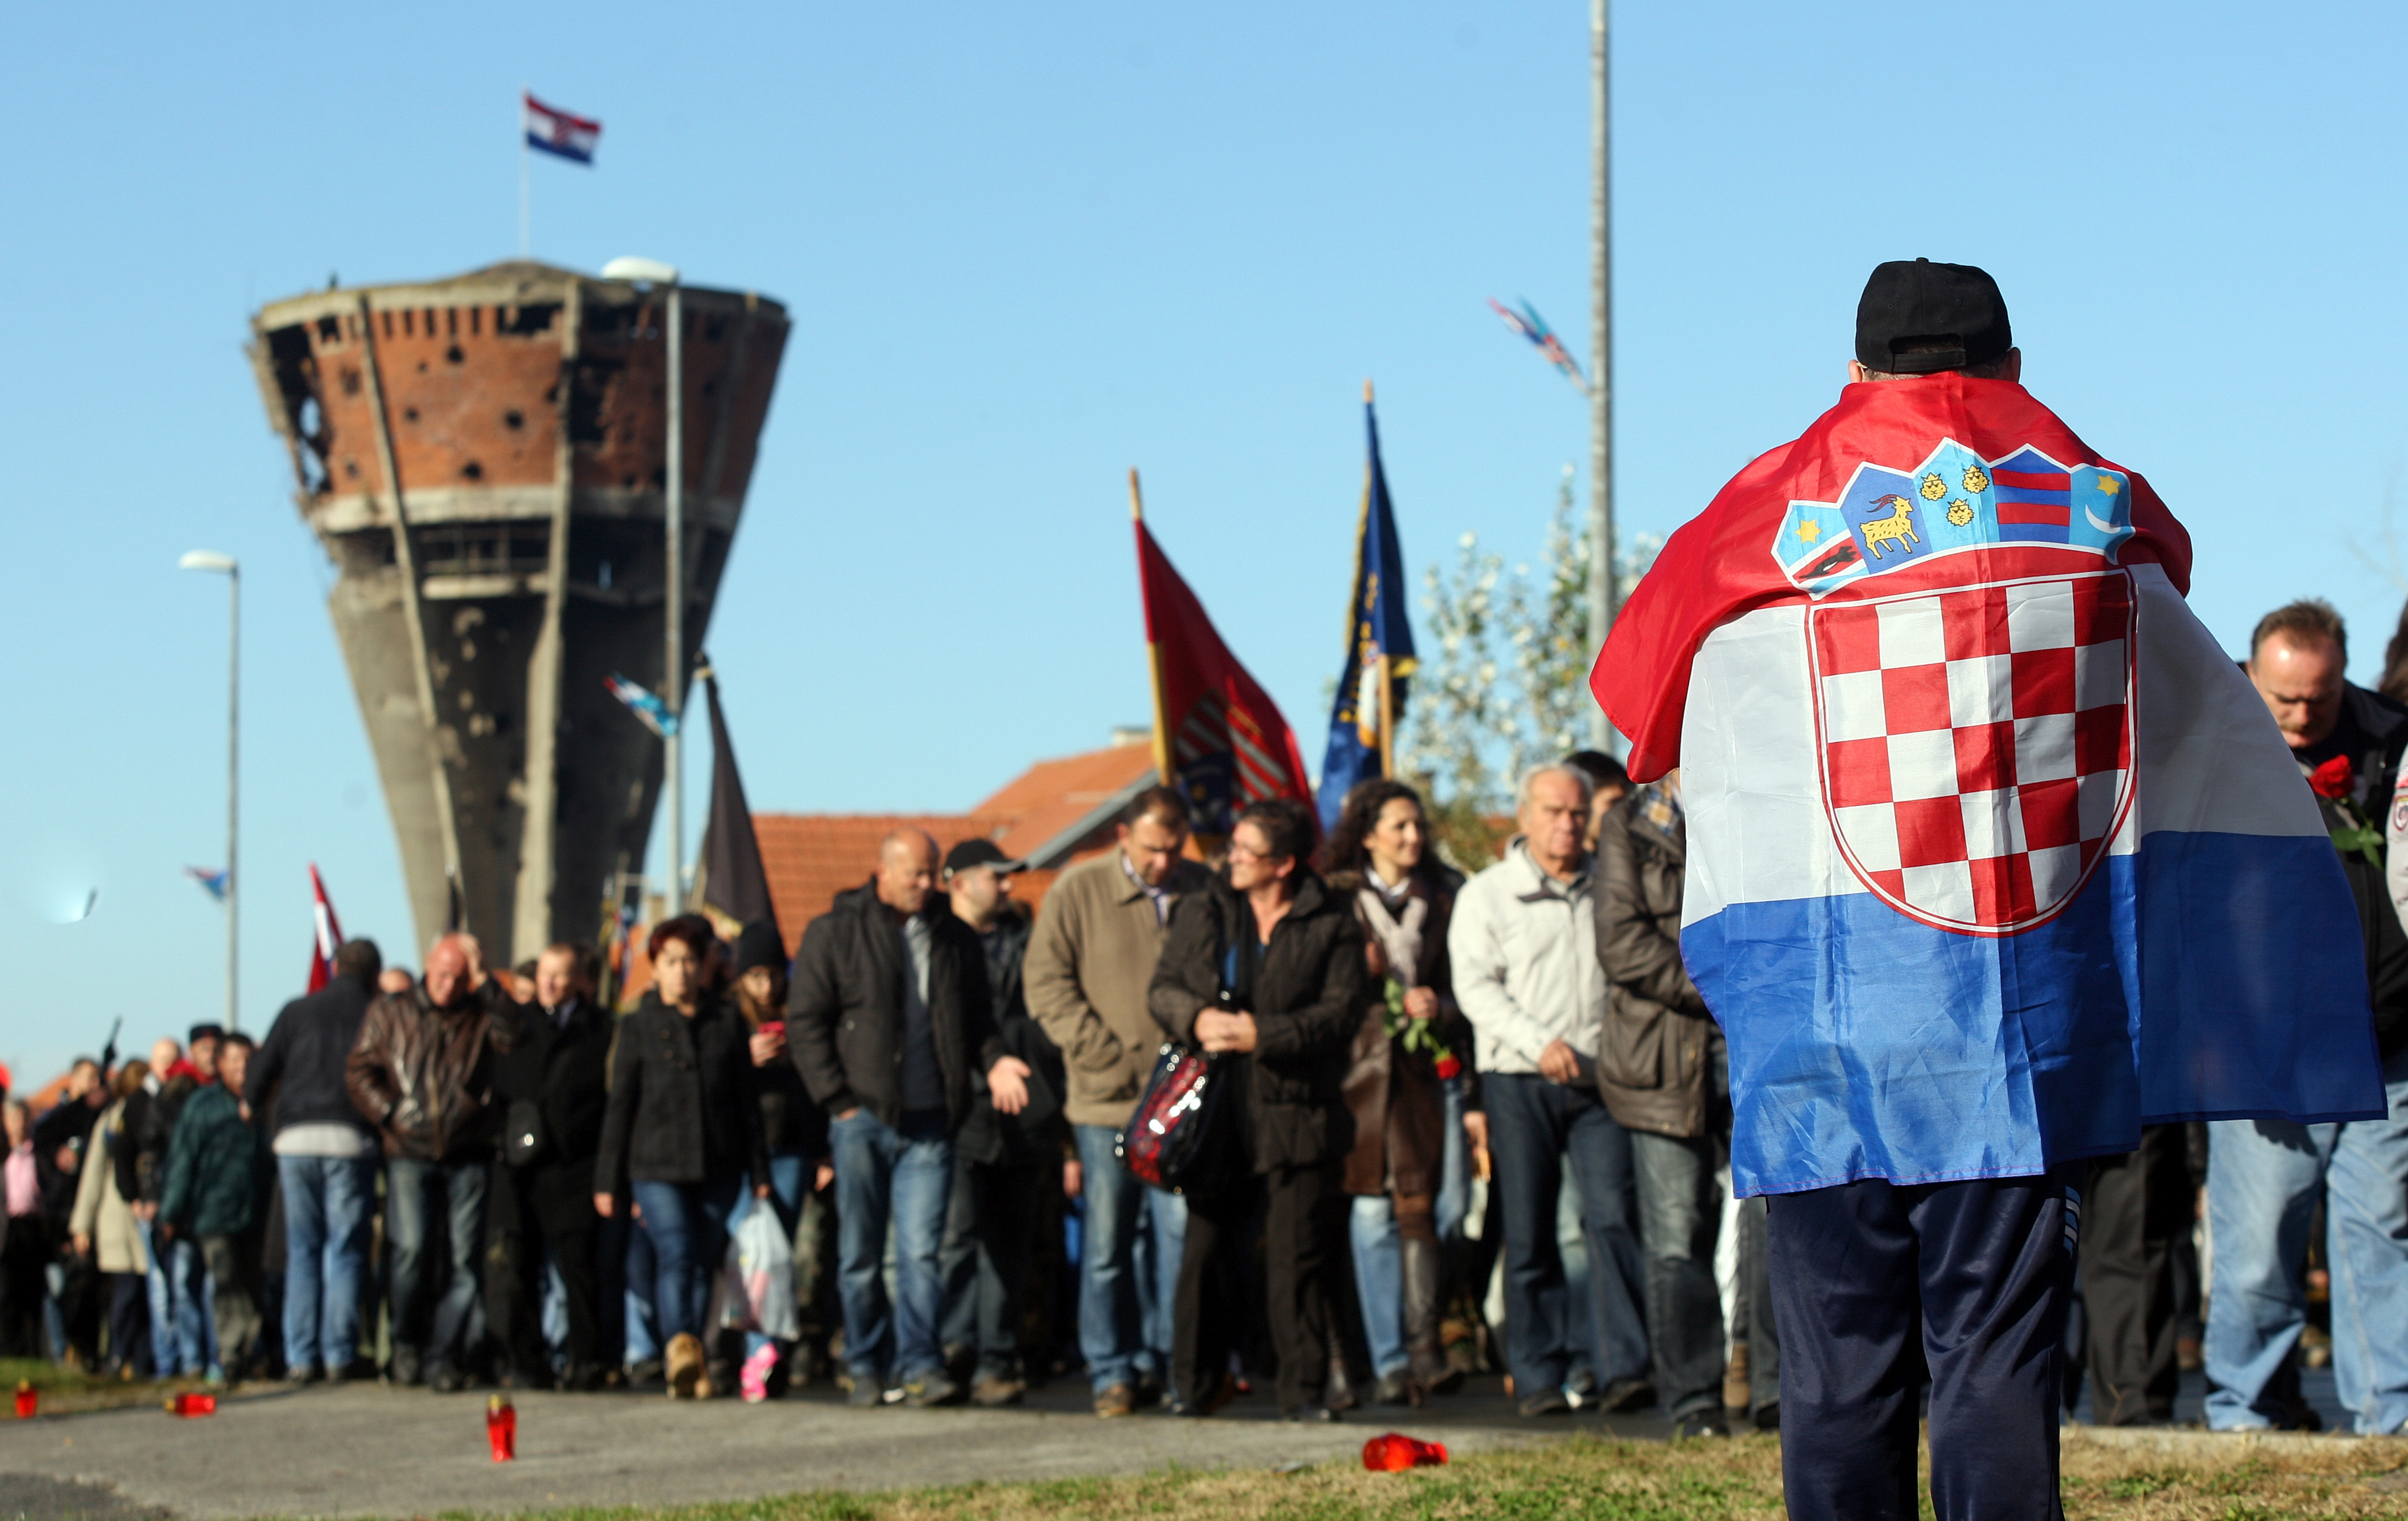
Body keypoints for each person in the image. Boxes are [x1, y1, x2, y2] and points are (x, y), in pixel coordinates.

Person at [1592, 257, 2386, 1519]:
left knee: (1839, 1369)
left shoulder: (1759, 512)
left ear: (1854, 371)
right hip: (2018, 1025)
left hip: (1823, 1016)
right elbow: (2170, 593)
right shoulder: (2103, 505)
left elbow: (1630, 695)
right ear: (2012, 368)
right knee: (1996, 1362)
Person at [2206, 599, 2408, 1434]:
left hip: (2382, 1035)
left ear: (2343, 679)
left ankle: (2388, 1416)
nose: (2296, 716)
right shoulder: (2211, 751)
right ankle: (2243, 1412)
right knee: (2256, 1248)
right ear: (2253, 676)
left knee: (2383, 1234)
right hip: (2266, 1052)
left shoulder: (2394, 743)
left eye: (2315, 702)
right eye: (2281, 698)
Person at [789, 829, 1025, 1409]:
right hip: (862, 1117)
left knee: (922, 1251)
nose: (927, 884)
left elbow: (977, 1020)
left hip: (931, 1121)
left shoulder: (952, 938)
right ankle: (865, 1362)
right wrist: (837, 1100)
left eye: (933, 873)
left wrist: (994, 1064)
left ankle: (921, 1364)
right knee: (862, 1253)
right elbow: (806, 1023)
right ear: (884, 871)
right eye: (916, 874)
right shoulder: (835, 932)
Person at [1149, 797, 1365, 1421]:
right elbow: (1162, 989)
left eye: (1248, 851)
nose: (1232, 858)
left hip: (1298, 1111)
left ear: (1285, 864)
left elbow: (1341, 1013)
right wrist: (1196, 1017)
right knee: (1206, 1252)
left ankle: (1302, 1393)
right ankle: (1194, 1385)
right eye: (1234, 848)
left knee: (1296, 1257)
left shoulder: (1333, 921)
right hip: (1215, 1110)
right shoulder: (1203, 909)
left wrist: (1262, 1035)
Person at [1448, 762, 1649, 1417]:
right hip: (1519, 1079)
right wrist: (1540, 1042)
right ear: (1525, 817)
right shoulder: (1487, 894)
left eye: (1575, 812)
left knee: (1612, 1220)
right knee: (1530, 1231)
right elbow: (1476, 987)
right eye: (1553, 812)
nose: (1566, 824)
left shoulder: (1608, 886)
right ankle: (1537, 1376)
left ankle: (1622, 1367)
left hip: (1598, 1082)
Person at [1024, 786, 1213, 1417]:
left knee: (1174, 1238)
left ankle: (1169, 1361)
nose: (1165, 861)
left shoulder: (1202, 888)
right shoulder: (1078, 890)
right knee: (1107, 1242)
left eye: (1174, 848)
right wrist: (1099, 1051)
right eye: (1154, 848)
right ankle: (1111, 1369)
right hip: (1104, 1100)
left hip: (1179, 1102)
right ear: (1125, 836)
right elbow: (1045, 983)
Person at [1594, 772, 1746, 1436]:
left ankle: (1776, 1392)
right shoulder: (1627, 824)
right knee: (1676, 1235)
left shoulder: (1756, 794)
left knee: (1778, 1224)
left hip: (1751, 1046)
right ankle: (1693, 1402)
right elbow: (1622, 944)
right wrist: (1724, 987)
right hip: (1662, 1058)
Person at [1323, 778, 1477, 1405]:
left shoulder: (1449, 895)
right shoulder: (1335, 900)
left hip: (1429, 1077)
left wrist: (1438, 1002)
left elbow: (1475, 978)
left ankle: (1425, 1340)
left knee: (1438, 1210)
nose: (1414, 837)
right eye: (1398, 827)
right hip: (1358, 1080)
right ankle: (1390, 1358)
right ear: (1366, 835)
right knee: (1370, 1215)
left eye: (1418, 826)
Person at [346, 932, 521, 1392]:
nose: (449, 985)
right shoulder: (391, 1011)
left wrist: (485, 981)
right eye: (443, 974)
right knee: (410, 1252)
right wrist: (391, 1113)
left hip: (468, 1151)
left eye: (459, 977)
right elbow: (359, 1069)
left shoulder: (480, 1011)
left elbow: (514, 1036)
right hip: (409, 1151)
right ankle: (406, 1346)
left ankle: (444, 1354)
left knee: (464, 1261)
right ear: (428, 965)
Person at [935, 837, 1066, 1407]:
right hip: (959, 1111)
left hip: (1024, 1112)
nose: (1010, 886)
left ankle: (997, 1356)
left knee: (1010, 1245)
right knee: (956, 1237)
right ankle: (951, 1349)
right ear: (961, 883)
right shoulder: (937, 943)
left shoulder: (1029, 942)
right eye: (998, 876)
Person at [248, 938, 384, 1384]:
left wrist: (255, 1105)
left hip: (296, 1140)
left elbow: (259, 1072)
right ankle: (340, 1354)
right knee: (344, 1250)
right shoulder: (377, 1011)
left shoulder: (297, 1011)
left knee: (302, 1250)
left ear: (335, 966)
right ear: (373, 974)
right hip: (350, 1137)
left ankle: (301, 1357)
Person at [491, 942, 613, 1392]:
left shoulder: (600, 1030)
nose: (549, 983)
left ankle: (584, 1361)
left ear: (579, 980)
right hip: (522, 1169)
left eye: (559, 975)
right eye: (544, 974)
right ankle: (528, 1363)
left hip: (576, 1168)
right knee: (518, 1269)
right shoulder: (517, 1027)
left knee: (579, 1270)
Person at [723, 919, 824, 1401]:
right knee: (752, 1255)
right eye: (755, 976)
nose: (766, 986)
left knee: (781, 1254)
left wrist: (821, 1148)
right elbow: (715, 1082)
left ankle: (772, 1348)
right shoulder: (729, 1020)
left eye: (772, 975)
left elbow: (816, 1088)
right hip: (745, 1150)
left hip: (792, 1147)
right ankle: (757, 1351)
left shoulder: (801, 1015)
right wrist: (747, 1058)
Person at [160, 1033, 271, 1384]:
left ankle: (250, 1351)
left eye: (248, 1060)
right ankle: (229, 1354)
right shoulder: (202, 1105)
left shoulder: (265, 1104)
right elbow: (182, 1160)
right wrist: (171, 1211)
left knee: (253, 1287)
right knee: (225, 1284)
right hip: (213, 1214)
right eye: (235, 1060)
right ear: (220, 1064)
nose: (243, 1068)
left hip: (256, 1213)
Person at [69, 1061, 154, 1377]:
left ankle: (142, 1360)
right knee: (127, 1292)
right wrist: (82, 1224)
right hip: (117, 1218)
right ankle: (119, 1355)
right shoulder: (113, 1119)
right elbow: (93, 1174)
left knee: (142, 1294)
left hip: (137, 1217)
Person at [141, 1032, 217, 1379]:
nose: (211, 1055)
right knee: (183, 1287)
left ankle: (214, 1358)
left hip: (211, 1206)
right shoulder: (175, 1095)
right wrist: (157, 1200)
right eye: (204, 1049)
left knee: (211, 1286)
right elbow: (154, 1154)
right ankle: (191, 1360)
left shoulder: (224, 1095)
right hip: (181, 1206)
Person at [34, 1058, 108, 1368]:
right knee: (69, 1287)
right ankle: (71, 1346)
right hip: (61, 1215)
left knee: (94, 1287)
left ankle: (90, 1349)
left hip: (93, 1212)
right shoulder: (59, 1119)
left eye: (97, 1078)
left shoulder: (101, 1115)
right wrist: (57, 1154)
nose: (94, 1084)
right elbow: (43, 1142)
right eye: (88, 1078)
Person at [2, 1100, 46, 1355]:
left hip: (33, 1226)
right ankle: (8, 1351)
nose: (20, 1123)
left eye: (23, 1118)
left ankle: (33, 1350)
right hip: (6, 1229)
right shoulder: (2, 1154)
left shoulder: (38, 1153)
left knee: (33, 1293)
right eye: (14, 1118)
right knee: (7, 1295)